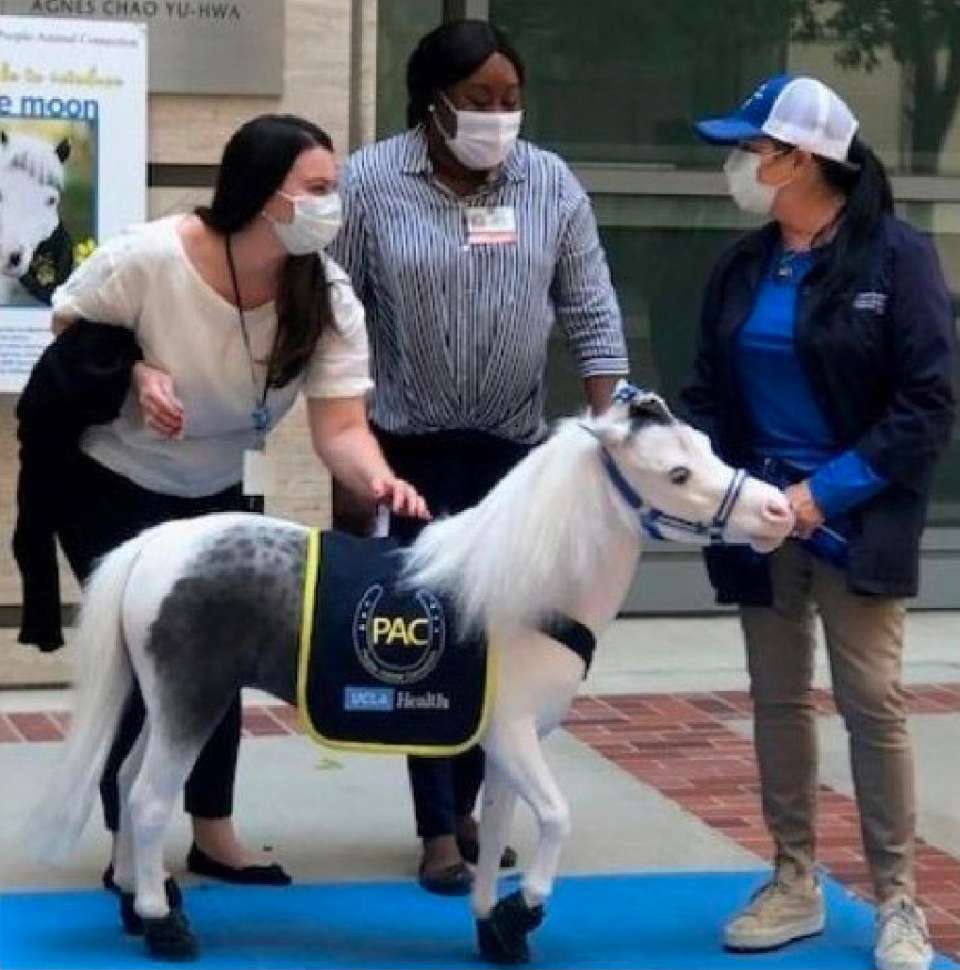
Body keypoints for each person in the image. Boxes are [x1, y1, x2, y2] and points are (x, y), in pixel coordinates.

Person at [48, 114, 428, 891]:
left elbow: (342, 427)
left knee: (220, 659)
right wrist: (134, 372)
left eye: (336, 189)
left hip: (212, 486)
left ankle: (213, 833)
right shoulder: (152, 256)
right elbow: (67, 319)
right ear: (263, 195)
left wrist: (377, 478)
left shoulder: (322, 292)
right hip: (105, 484)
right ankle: (131, 847)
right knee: (144, 658)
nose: (333, 206)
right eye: (317, 190)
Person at [329, 19, 628, 895]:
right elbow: (338, 317)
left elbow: (592, 311)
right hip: (406, 450)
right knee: (421, 635)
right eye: (479, 101)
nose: (501, 117)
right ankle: (436, 829)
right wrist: (348, 453)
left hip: (513, 449)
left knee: (497, 637)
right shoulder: (371, 182)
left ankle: (467, 804)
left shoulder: (550, 183)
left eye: (512, 100)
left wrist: (614, 436)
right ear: (433, 101)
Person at [680, 75, 956, 970]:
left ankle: (898, 901)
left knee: (872, 703)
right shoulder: (742, 264)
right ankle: (793, 877)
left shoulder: (896, 260)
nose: (740, 165)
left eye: (752, 148)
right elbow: (707, 394)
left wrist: (821, 496)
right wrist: (720, 490)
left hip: (851, 519)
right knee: (777, 698)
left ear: (802, 160)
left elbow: (925, 404)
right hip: (760, 521)